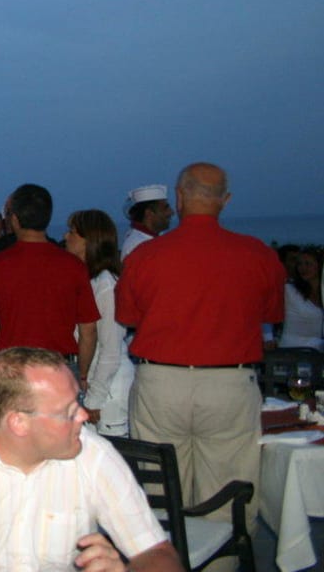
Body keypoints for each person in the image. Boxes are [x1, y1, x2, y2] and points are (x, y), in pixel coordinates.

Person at [0, 347, 181, 572]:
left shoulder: (94, 455)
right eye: (68, 412)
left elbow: (157, 553)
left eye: (78, 402)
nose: (83, 416)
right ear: (19, 423)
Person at [116, 162, 285, 524]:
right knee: (229, 485)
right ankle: (222, 550)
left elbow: (128, 317)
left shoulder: (144, 256)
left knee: (160, 486)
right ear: (225, 200)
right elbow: (270, 313)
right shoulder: (258, 255)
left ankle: (167, 549)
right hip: (229, 384)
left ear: (179, 198)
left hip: (161, 383)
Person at [0, 184, 99, 388]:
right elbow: (88, 329)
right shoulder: (73, 266)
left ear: (14, 219)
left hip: (16, 369)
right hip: (60, 367)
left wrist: (1, 359)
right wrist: (82, 374)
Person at [64, 210, 135, 436]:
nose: (66, 237)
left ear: (89, 240)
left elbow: (110, 348)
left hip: (108, 389)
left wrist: (94, 399)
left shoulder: (105, 285)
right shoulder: (88, 280)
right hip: (93, 382)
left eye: (72, 232)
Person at [278, 247, 323, 351]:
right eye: (299, 264)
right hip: (293, 351)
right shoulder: (289, 290)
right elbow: (265, 305)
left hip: (317, 352)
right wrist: (268, 336)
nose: (303, 268)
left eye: (308, 264)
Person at [121, 184, 173, 260]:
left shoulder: (150, 238)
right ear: (149, 213)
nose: (171, 212)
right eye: (165, 208)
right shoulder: (136, 245)